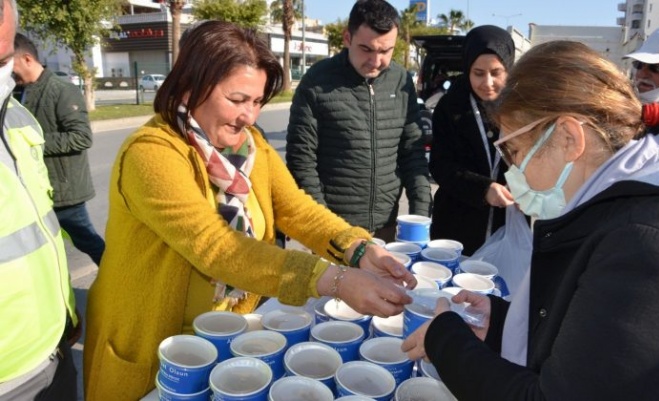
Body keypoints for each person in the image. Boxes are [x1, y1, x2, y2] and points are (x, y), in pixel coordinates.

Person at [83, 21, 415, 400]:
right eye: (237, 100)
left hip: (228, 337)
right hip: (154, 345)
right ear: (192, 85)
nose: (249, 116)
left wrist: (358, 248)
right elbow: (217, 247)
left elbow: (297, 210)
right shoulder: (151, 153)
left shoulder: (250, 146)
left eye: (257, 102)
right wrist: (332, 279)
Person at [402, 40, 659, 400]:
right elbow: (588, 344)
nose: (512, 171)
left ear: (567, 137)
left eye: (513, 151)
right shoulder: (620, 204)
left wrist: (445, 338)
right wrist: (500, 324)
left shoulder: (647, 248)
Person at [286, 0, 431, 242]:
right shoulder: (317, 81)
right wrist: (326, 226)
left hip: (387, 227)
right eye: (366, 49)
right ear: (347, 38)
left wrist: (421, 216)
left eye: (386, 51)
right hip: (334, 230)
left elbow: (412, 153)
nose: (376, 61)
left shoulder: (401, 80)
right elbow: (301, 160)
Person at [0, 0, 80, 399]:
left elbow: (37, 238)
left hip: (53, 344)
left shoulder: (18, 111)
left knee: (82, 239)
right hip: (10, 373)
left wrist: (66, 314)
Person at [13, 32, 105, 265]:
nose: (6, 70)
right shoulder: (16, 92)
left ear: (26, 59)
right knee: (45, 249)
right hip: (34, 189)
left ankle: (122, 285)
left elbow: (81, 137)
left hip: (64, 192)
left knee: (87, 242)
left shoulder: (61, 90)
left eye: (7, 62)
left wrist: (32, 143)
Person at [428, 25, 515, 256]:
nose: (487, 83)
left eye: (496, 72)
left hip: (508, 226)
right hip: (457, 227)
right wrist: (482, 189)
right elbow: (440, 165)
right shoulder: (451, 107)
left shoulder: (522, 108)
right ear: (467, 69)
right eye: (478, 73)